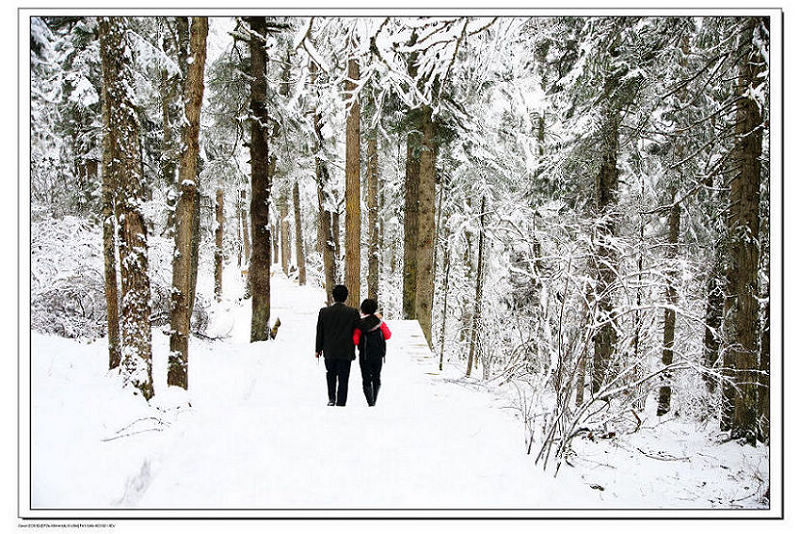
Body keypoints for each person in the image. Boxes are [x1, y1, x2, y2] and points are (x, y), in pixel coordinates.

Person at [315, 285, 360, 406]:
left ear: (333, 297)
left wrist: (318, 349)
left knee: (330, 374)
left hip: (329, 350)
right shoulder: (353, 312)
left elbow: (320, 331)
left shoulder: (324, 312)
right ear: (346, 297)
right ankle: (341, 401)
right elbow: (358, 330)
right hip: (346, 350)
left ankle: (331, 398)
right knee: (344, 377)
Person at [353, 298, 392, 407]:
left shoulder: (360, 324)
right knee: (376, 377)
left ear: (363, 310)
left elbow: (355, 340)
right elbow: (388, 335)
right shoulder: (380, 323)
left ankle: (370, 402)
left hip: (365, 356)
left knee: (366, 378)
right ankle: (374, 399)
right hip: (378, 355)